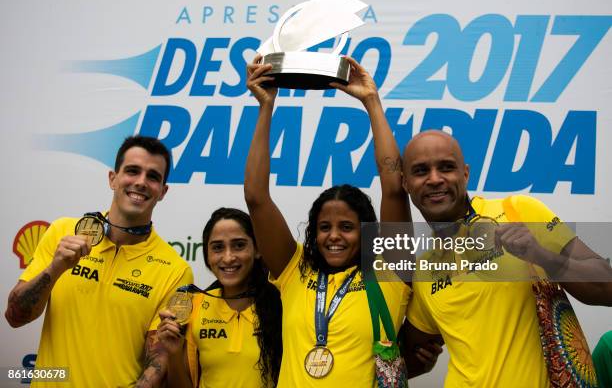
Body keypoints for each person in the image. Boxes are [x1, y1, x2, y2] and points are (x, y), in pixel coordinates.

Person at [243, 55, 441, 387]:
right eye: (324, 227)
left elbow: (394, 188)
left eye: (347, 227)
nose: (334, 236)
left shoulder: (389, 272)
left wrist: (371, 101)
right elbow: (256, 197)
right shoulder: (295, 273)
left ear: (366, 234)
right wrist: (266, 107)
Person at [399, 129, 612, 387]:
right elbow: (404, 362)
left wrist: (540, 255)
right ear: (405, 183)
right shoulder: (424, 270)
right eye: (421, 171)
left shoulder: (518, 211)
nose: (435, 179)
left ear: (465, 173)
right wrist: (421, 360)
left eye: (446, 167)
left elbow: (606, 287)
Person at [5, 135, 194, 387]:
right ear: (112, 178)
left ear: (163, 191)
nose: (141, 182)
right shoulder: (64, 231)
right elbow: (15, 317)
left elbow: (158, 359)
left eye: (153, 176)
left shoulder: (175, 270)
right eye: (132, 171)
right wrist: (56, 267)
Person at [156, 207, 283, 388]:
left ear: (257, 249)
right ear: (207, 254)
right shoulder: (194, 305)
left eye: (239, 245)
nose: (228, 257)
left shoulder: (282, 304)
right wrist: (174, 354)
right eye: (217, 248)